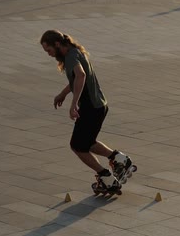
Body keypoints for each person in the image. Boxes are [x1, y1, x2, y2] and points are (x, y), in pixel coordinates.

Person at [40, 30, 134, 193]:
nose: (49, 55)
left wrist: (73, 104)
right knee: (87, 143)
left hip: (91, 108)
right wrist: (63, 93)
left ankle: (107, 179)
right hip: (98, 105)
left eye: (48, 50)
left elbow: (81, 76)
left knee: (77, 146)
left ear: (57, 44)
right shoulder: (75, 52)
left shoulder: (70, 57)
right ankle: (120, 159)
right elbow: (76, 79)